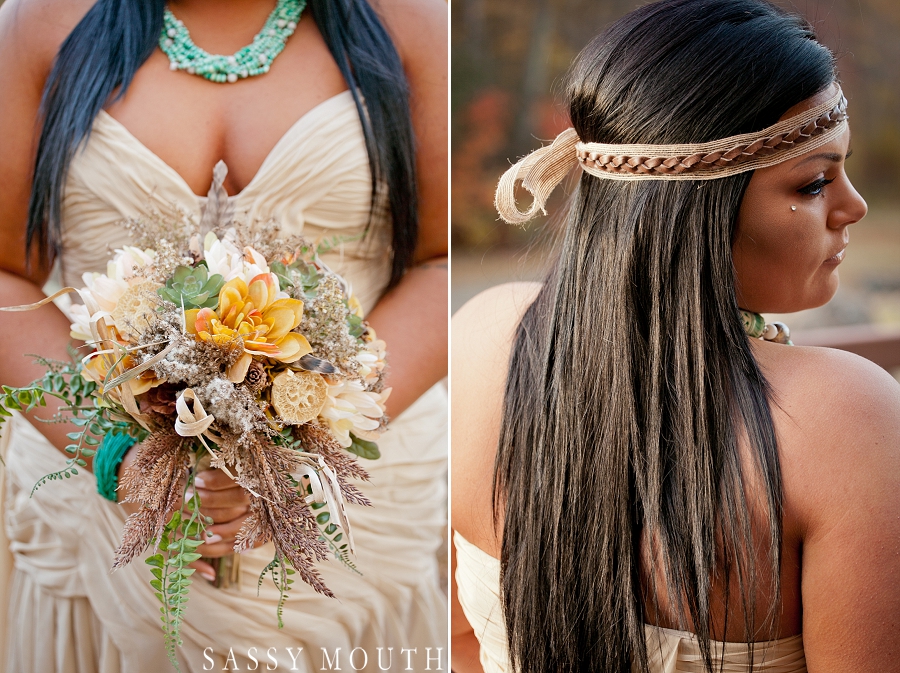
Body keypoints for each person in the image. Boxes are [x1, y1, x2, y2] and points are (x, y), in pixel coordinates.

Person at [451, 0, 900, 671]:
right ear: (696, 210)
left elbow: (460, 642)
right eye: (812, 184)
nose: (853, 206)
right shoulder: (851, 419)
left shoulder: (484, 337)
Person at [0, 0, 448, 670]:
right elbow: (6, 275)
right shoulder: (42, 23)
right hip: (99, 512)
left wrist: (303, 441)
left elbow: (442, 264)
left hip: (355, 497)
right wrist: (119, 458)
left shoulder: (409, 22)